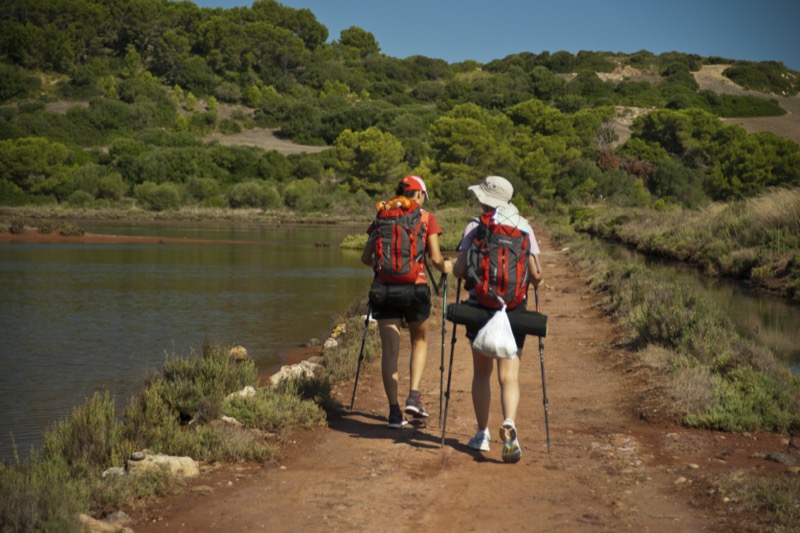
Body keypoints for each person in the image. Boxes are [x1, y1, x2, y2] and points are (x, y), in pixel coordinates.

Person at [452, 175, 543, 463]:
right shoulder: (524, 227)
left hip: (480, 307)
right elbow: (537, 275)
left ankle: (482, 434)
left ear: (486, 199)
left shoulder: (475, 226)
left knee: (482, 373)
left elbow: (459, 270)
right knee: (509, 375)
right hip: (514, 310)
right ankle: (510, 424)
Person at [361, 175, 452, 429]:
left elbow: (365, 257)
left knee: (390, 350)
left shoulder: (383, 216)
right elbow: (435, 259)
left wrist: (384, 266)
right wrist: (447, 267)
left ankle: (393, 412)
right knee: (419, 340)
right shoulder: (426, 218)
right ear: (419, 195)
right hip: (415, 290)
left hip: (385, 290)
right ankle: (413, 396)